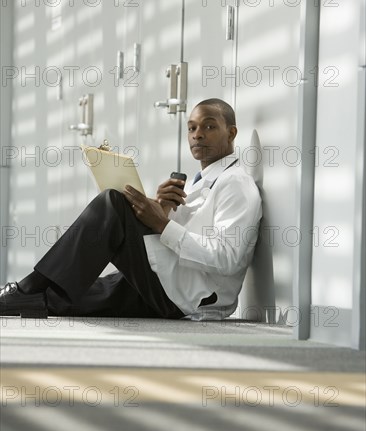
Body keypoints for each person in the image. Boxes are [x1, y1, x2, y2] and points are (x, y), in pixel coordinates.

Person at [0, 98, 262, 320]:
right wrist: (162, 209)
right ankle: (22, 298)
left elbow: (227, 258)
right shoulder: (201, 181)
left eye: (209, 126)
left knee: (112, 202)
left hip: (188, 296)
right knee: (63, 298)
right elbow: (186, 234)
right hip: (168, 279)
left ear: (231, 133)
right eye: (191, 128)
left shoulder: (235, 183)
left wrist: (162, 225)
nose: (197, 135)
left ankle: (25, 289)